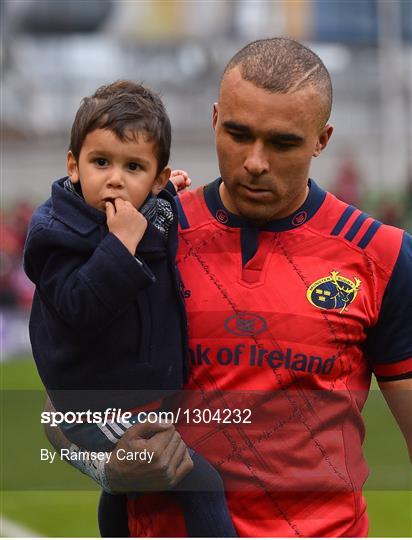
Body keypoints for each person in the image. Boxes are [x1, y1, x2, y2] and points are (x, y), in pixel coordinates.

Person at [45, 38, 412, 537]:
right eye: (238, 134)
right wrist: (108, 469)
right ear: (215, 119)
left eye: (282, 143)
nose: (255, 161)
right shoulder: (141, 236)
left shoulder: (382, 257)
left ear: (321, 139)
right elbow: (61, 405)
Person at [23, 80, 236, 537]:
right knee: (199, 481)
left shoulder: (141, 212)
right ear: (73, 166)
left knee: (128, 489)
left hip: (132, 395)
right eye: (101, 162)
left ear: (158, 176)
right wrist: (120, 245)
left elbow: (159, 232)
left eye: (134, 167)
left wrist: (164, 196)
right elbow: (80, 306)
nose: (115, 178)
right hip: (89, 406)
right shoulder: (55, 234)